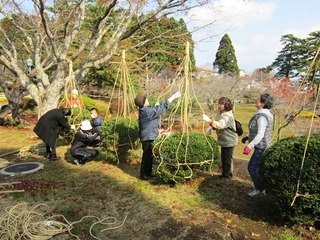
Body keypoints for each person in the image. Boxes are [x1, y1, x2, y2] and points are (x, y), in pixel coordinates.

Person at [135, 91, 181, 180]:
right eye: (146, 99)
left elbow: (154, 111)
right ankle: (144, 175)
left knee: (149, 156)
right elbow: (161, 108)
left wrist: (156, 107)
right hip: (148, 137)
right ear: (144, 103)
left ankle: (148, 173)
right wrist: (172, 97)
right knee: (147, 157)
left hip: (148, 136)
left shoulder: (145, 110)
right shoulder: (147, 112)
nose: (148, 100)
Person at [242, 93, 274, 197]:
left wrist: (249, 146)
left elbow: (261, 133)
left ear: (263, 103)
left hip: (262, 147)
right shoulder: (264, 114)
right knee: (258, 168)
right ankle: (260, 186)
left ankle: (259, 189)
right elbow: (256, 130)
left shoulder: (262, 117)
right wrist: (247, 136)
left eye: (259, 99)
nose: (256, 100)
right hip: (262, 145)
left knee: (252, 167)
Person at [203, 97, 238, 180]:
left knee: (228, 159)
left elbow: (221, 125)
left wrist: (209, 120)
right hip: (223, 139)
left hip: (230, 140)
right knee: (223, 157)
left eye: (222, 104)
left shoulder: (228, 115)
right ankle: (224, 174)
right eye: (219, 103)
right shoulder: (220, 112)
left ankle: (228, 175)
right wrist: (211, 127)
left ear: (226, 105)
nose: (219, 105)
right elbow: (217, 123)